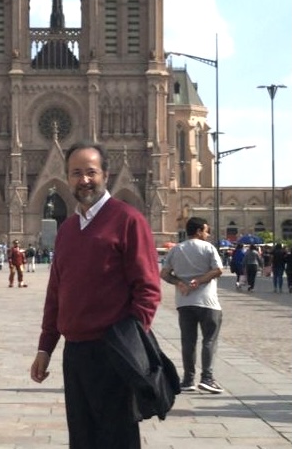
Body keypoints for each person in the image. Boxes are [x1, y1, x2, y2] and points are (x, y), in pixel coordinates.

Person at [30, 141, 161, 449]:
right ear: (66, 177)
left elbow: (148, 289)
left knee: (117, 438)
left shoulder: (128, 220)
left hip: (113, 350)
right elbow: (56, 293)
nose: (83, 180)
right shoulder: (68, 228)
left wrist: (129, 342)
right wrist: (45, 347)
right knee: (83, 438)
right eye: (76, 173)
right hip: (75, 352)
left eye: (91, 172)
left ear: (106, 174)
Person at [161, 216, 223, 394]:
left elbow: (164, 273)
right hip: (208, 302)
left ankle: (188, 379)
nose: (207, 234)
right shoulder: (208, 248)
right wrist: (199, 281)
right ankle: (207, 378)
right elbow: (218, 270)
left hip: (184, 302)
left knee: (188, 341)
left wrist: (178, 282)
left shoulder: (176, 249)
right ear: (198, 231)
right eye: (206, 230)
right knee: (209, 340)